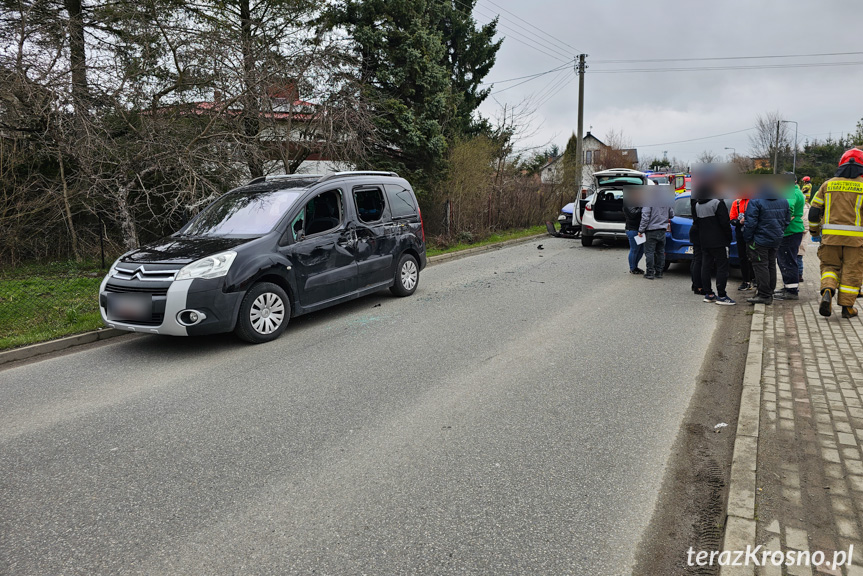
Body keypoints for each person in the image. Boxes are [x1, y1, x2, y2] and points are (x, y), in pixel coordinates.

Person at [809, 148, 863, 318]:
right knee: (851, 271)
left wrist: (814, 230)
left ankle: (828, 290)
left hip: (830, 238)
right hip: (856, 241)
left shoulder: (827, 184)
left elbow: (813, 211)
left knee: (829, 267)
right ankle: (847, 308)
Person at [743, 184, 791, 305]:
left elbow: (750, 223)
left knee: (760, 266)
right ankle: (769, 291)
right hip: (776, 239)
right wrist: (779, 232)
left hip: (759, 240)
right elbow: (787, 220)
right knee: (771, 264)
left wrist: (748, 239)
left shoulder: (755, 200)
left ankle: (764, 294)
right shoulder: (783, 200)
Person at [693, 196, 735, 305]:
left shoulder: (698, 204)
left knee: (706, 266)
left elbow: (697, 223)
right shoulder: (717, 203)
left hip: (704, 241)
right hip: (719, 241)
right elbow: (725, 223)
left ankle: (709, 294)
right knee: (722, 267)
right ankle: (722, 295)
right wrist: (728, 238)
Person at [774, 173, 806, 300]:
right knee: (786, 260)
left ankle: (791, 291)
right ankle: (788, 286)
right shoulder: (796, 191)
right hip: (793, 230)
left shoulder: (791, 192)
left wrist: (782, 224)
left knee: (787, 260)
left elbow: (788, 208)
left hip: (790, 231)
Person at [638, 201, 673, 280]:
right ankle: (659, 272)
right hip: (662, 230)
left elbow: (645, 217)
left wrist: (641, 230)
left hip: (651, 230)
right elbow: (672, 214)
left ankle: (650, 273)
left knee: (649, 252)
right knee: (660, 252)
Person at [729, 197, 754, 291]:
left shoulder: (755, 200)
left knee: (754, 257)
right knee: (743, 258)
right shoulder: (736, 203)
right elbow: (732, 219)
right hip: (741, 235)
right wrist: (739, 222)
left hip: (753, 235)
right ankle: (746, 281)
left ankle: (755, 279)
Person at [624, 201, 645, 274]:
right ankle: (632, 268)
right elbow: (633, 214)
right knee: (634, 249)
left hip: (639, 229)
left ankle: (635, 266)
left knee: (641, 250)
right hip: (632, 229)